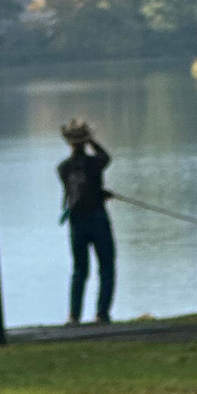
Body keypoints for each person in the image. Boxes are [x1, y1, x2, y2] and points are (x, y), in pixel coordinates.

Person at [57, 119, 114, 325]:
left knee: (79, 269)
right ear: (85, 140)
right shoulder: (95, 163)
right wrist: (93, 141)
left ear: (69, 143)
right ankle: (102, 314)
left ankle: (74, 316)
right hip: (98, 218)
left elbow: (76, 189)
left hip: (76, 221)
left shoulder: (62, 168)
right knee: (106, 267)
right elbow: (106, 157)